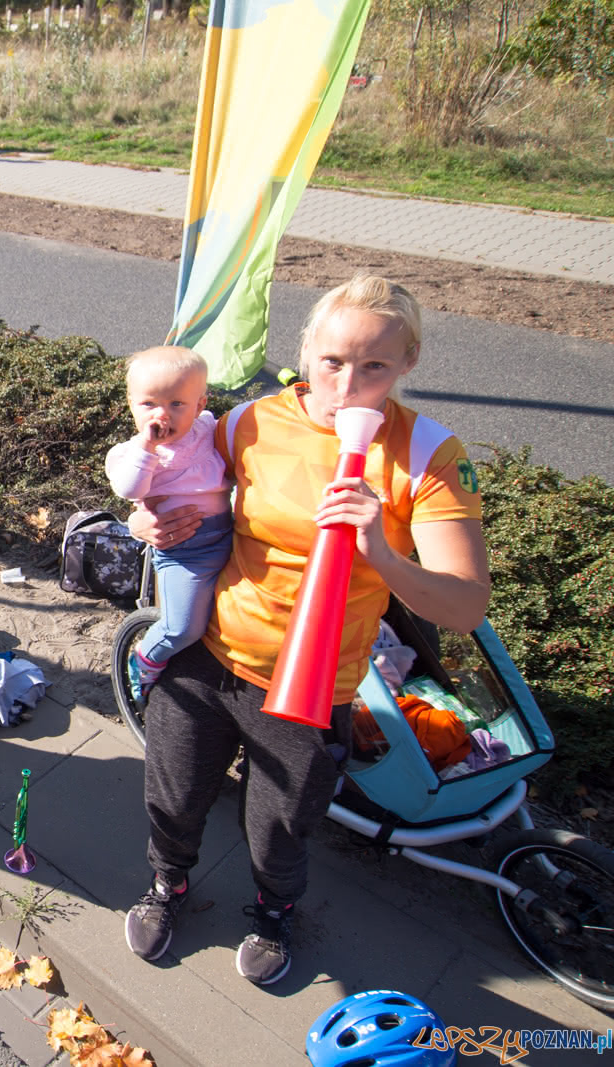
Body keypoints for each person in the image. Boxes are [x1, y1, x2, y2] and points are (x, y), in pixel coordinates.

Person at [123, 275, 489, 986]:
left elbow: (465, 606)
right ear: (306, 351)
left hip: (317, 682)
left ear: (408, 362)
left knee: (280, 827)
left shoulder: (428, 454)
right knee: (171, 793)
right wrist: (146, 522)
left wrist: (380, 550)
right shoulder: (247, 423)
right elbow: (169, 482)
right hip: (210, 651)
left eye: (374, 366)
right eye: (332, 361)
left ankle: (272, 910)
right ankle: (167, 883)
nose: (348, 384)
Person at [105, 347, 232, 703]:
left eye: (177, 404)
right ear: (131, 404)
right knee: (182, 627)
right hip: (186, 553)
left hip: (232, 537)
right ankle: (146, 657)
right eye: (149, 404)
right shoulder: (133, 453)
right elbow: (128, 488)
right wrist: (147, 447)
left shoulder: (209, 431)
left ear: (200, 405)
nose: (162, 414)